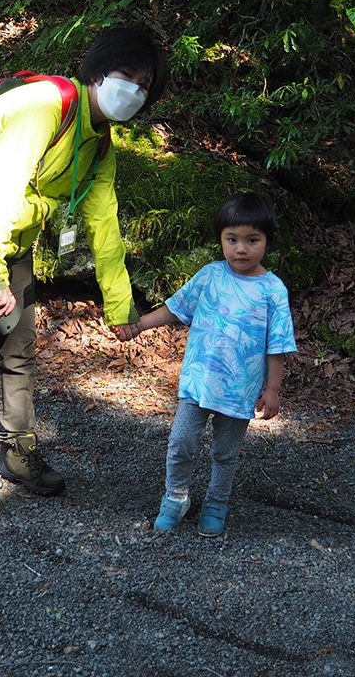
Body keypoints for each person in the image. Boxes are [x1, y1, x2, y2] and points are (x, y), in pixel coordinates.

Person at [0, 26, 168, 511]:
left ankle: (17, 451)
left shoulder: (99, 143)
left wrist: (121, 307)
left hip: (5, 231)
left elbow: (104, 227)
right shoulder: (46, 104)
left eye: (145, 84)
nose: (135, 89)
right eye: (127, 74)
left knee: (19, 341)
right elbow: (1, 189)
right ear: (98, 69)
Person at [123, 192, 297, 537]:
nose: (241, 249)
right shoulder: (210, 276)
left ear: (267, 241)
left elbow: (276, 346)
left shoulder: (272, 290)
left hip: (240, 390)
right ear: (221, 239)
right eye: (231, 240)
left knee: (225, 452)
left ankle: (217, 502)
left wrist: (273, 389)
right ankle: (175, 498)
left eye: (252, 240)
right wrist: (141, 324)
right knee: (181, 442)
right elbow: (176, 308)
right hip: (199, 382)